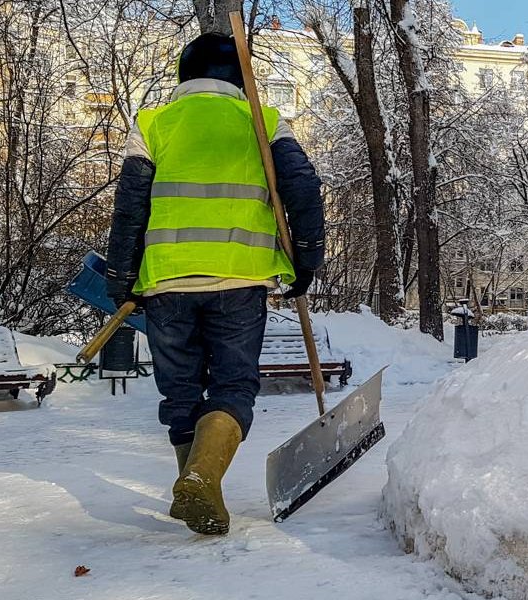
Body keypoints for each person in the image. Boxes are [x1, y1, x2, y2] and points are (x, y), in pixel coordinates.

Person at [104, 32, 324, 535]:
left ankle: (199, 485)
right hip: (239, 279)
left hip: (166, 282)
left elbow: (130, 206)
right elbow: (303, 188)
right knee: (233, 385)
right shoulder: (264, 121)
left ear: (185, 74)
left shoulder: (153, 123)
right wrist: (307, 260)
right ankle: (202, 479)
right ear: (239, 78)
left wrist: (121, 277)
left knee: (180, 391)